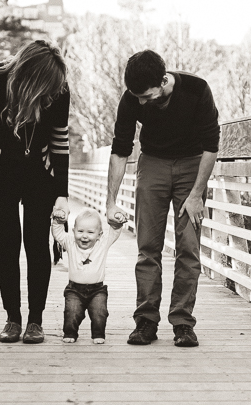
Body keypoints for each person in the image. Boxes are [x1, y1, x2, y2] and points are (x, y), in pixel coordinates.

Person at [105, 50, 219, 347]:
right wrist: (110, 201)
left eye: (147, 96)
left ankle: (182, 322)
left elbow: (211, 147)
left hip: (192, 165)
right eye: (137, 97)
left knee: (188, 247)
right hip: (153, 163)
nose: (141, 103)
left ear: (163, 80)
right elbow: (120, 149)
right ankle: (146, 320)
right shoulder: (132, 99)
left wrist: (196, 195)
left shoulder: (196, 90)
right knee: (148, 246)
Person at [0, 40, 71, 344]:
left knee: (37, 244)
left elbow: (60, 142)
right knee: (8, 242)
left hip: (41, 170)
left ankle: (35, 321)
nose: (50, 91)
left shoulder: (59, 89)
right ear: (28, 74)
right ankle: (12, 318)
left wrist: (62, 193)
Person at [51, 207, 126, 343]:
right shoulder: (70, 242)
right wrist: (58, 220)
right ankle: (70, 333)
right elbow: (58, 234)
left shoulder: (102, 243)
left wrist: (118, 222)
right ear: (73, 231)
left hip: (97, 290)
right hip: (74, 289)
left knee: (100, 313)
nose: (84, 236)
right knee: (71, 312)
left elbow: (114, 233)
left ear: (99, 234)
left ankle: (98, 334)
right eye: (80, 231)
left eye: (90, 232)